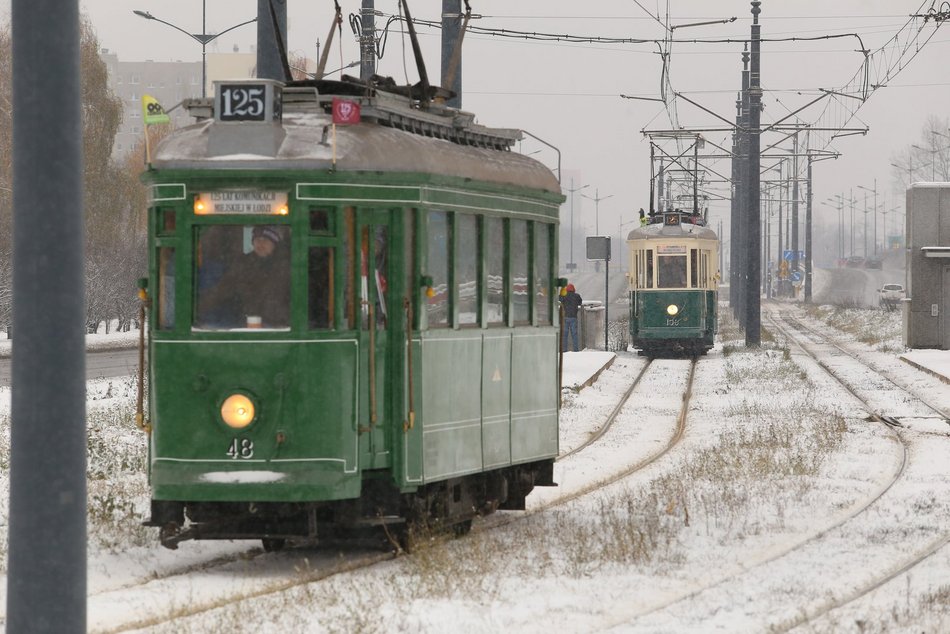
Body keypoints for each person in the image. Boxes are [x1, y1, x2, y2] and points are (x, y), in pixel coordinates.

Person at [198, 225, 290, 329]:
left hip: (281, 326)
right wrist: (197, 307)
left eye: (265, 240)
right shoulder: (243, 264)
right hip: (247, 323)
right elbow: (222, 289)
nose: (260, 243)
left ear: (274, 243)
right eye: (257, 239)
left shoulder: (287, 267)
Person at [560, 283, 583, 352]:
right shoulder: (577, 296)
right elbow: (580, 303)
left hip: (565, 317)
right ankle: (575, 350)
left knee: (565, 335)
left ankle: (564, 350)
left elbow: (559, 299)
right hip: (573, 317)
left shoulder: (564, 296)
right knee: (574, 335)